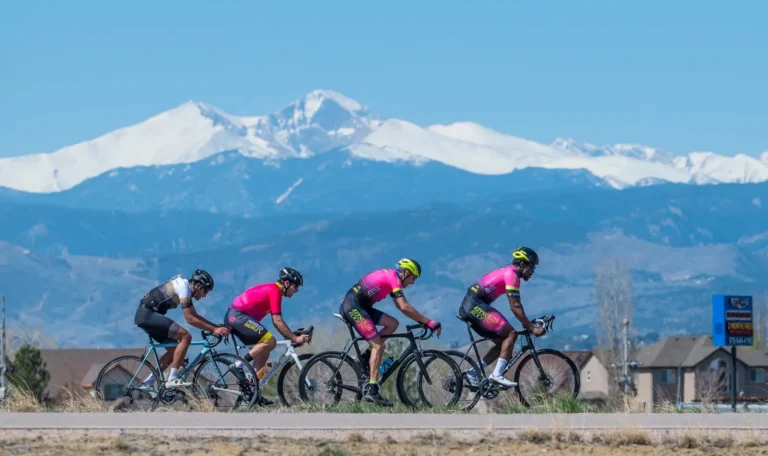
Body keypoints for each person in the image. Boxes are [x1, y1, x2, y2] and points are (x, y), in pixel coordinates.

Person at [339, 258, 442, 406]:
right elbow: (404, 307)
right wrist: (428, 322)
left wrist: (422, 320)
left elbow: (401, 307)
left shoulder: (392, 278)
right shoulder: (393, 279)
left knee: (393, 323)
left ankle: (365, 358)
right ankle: (372, 390)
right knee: (379, 346)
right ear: (406, 273)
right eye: (413, 278)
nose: (413, 282)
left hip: (360, 306)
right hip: (353, 308)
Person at [459, 247, 546, 388]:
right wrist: (531, 327)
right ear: (523, 264)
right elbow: (515, 306)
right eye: (532, 268)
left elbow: (516, 306)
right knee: (511, 334)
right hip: (474, 305)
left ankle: (473, 373)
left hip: (471, 305)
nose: (532, 273)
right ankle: (496, 375)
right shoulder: (512, 275)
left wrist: (527, 323)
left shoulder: (508, 272)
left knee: (503, 344)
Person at [224, 267, 310, 406]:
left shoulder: (275, 292)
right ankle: (238, 364)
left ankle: (254, 391)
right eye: (296, 287)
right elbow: (277, 321)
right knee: (271, 341)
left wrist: (293, 334)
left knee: (265, 351)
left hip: (238, 317)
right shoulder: (274, 291)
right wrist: (294, 338)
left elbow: (278, 321)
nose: (297, 290)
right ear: (287, 283)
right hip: (237, 316)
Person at [134, 269, 230, 388]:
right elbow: (190, 318)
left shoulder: (185, 289)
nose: (205, 295)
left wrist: (215, 327)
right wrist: (214, 330)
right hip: (147, 315)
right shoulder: (184, 287)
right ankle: (172, 380)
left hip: (146, 315)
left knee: (174, 352)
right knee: (186, 337)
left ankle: (147, 383)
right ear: (198, 285)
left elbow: (195, 315)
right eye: (205, 291)